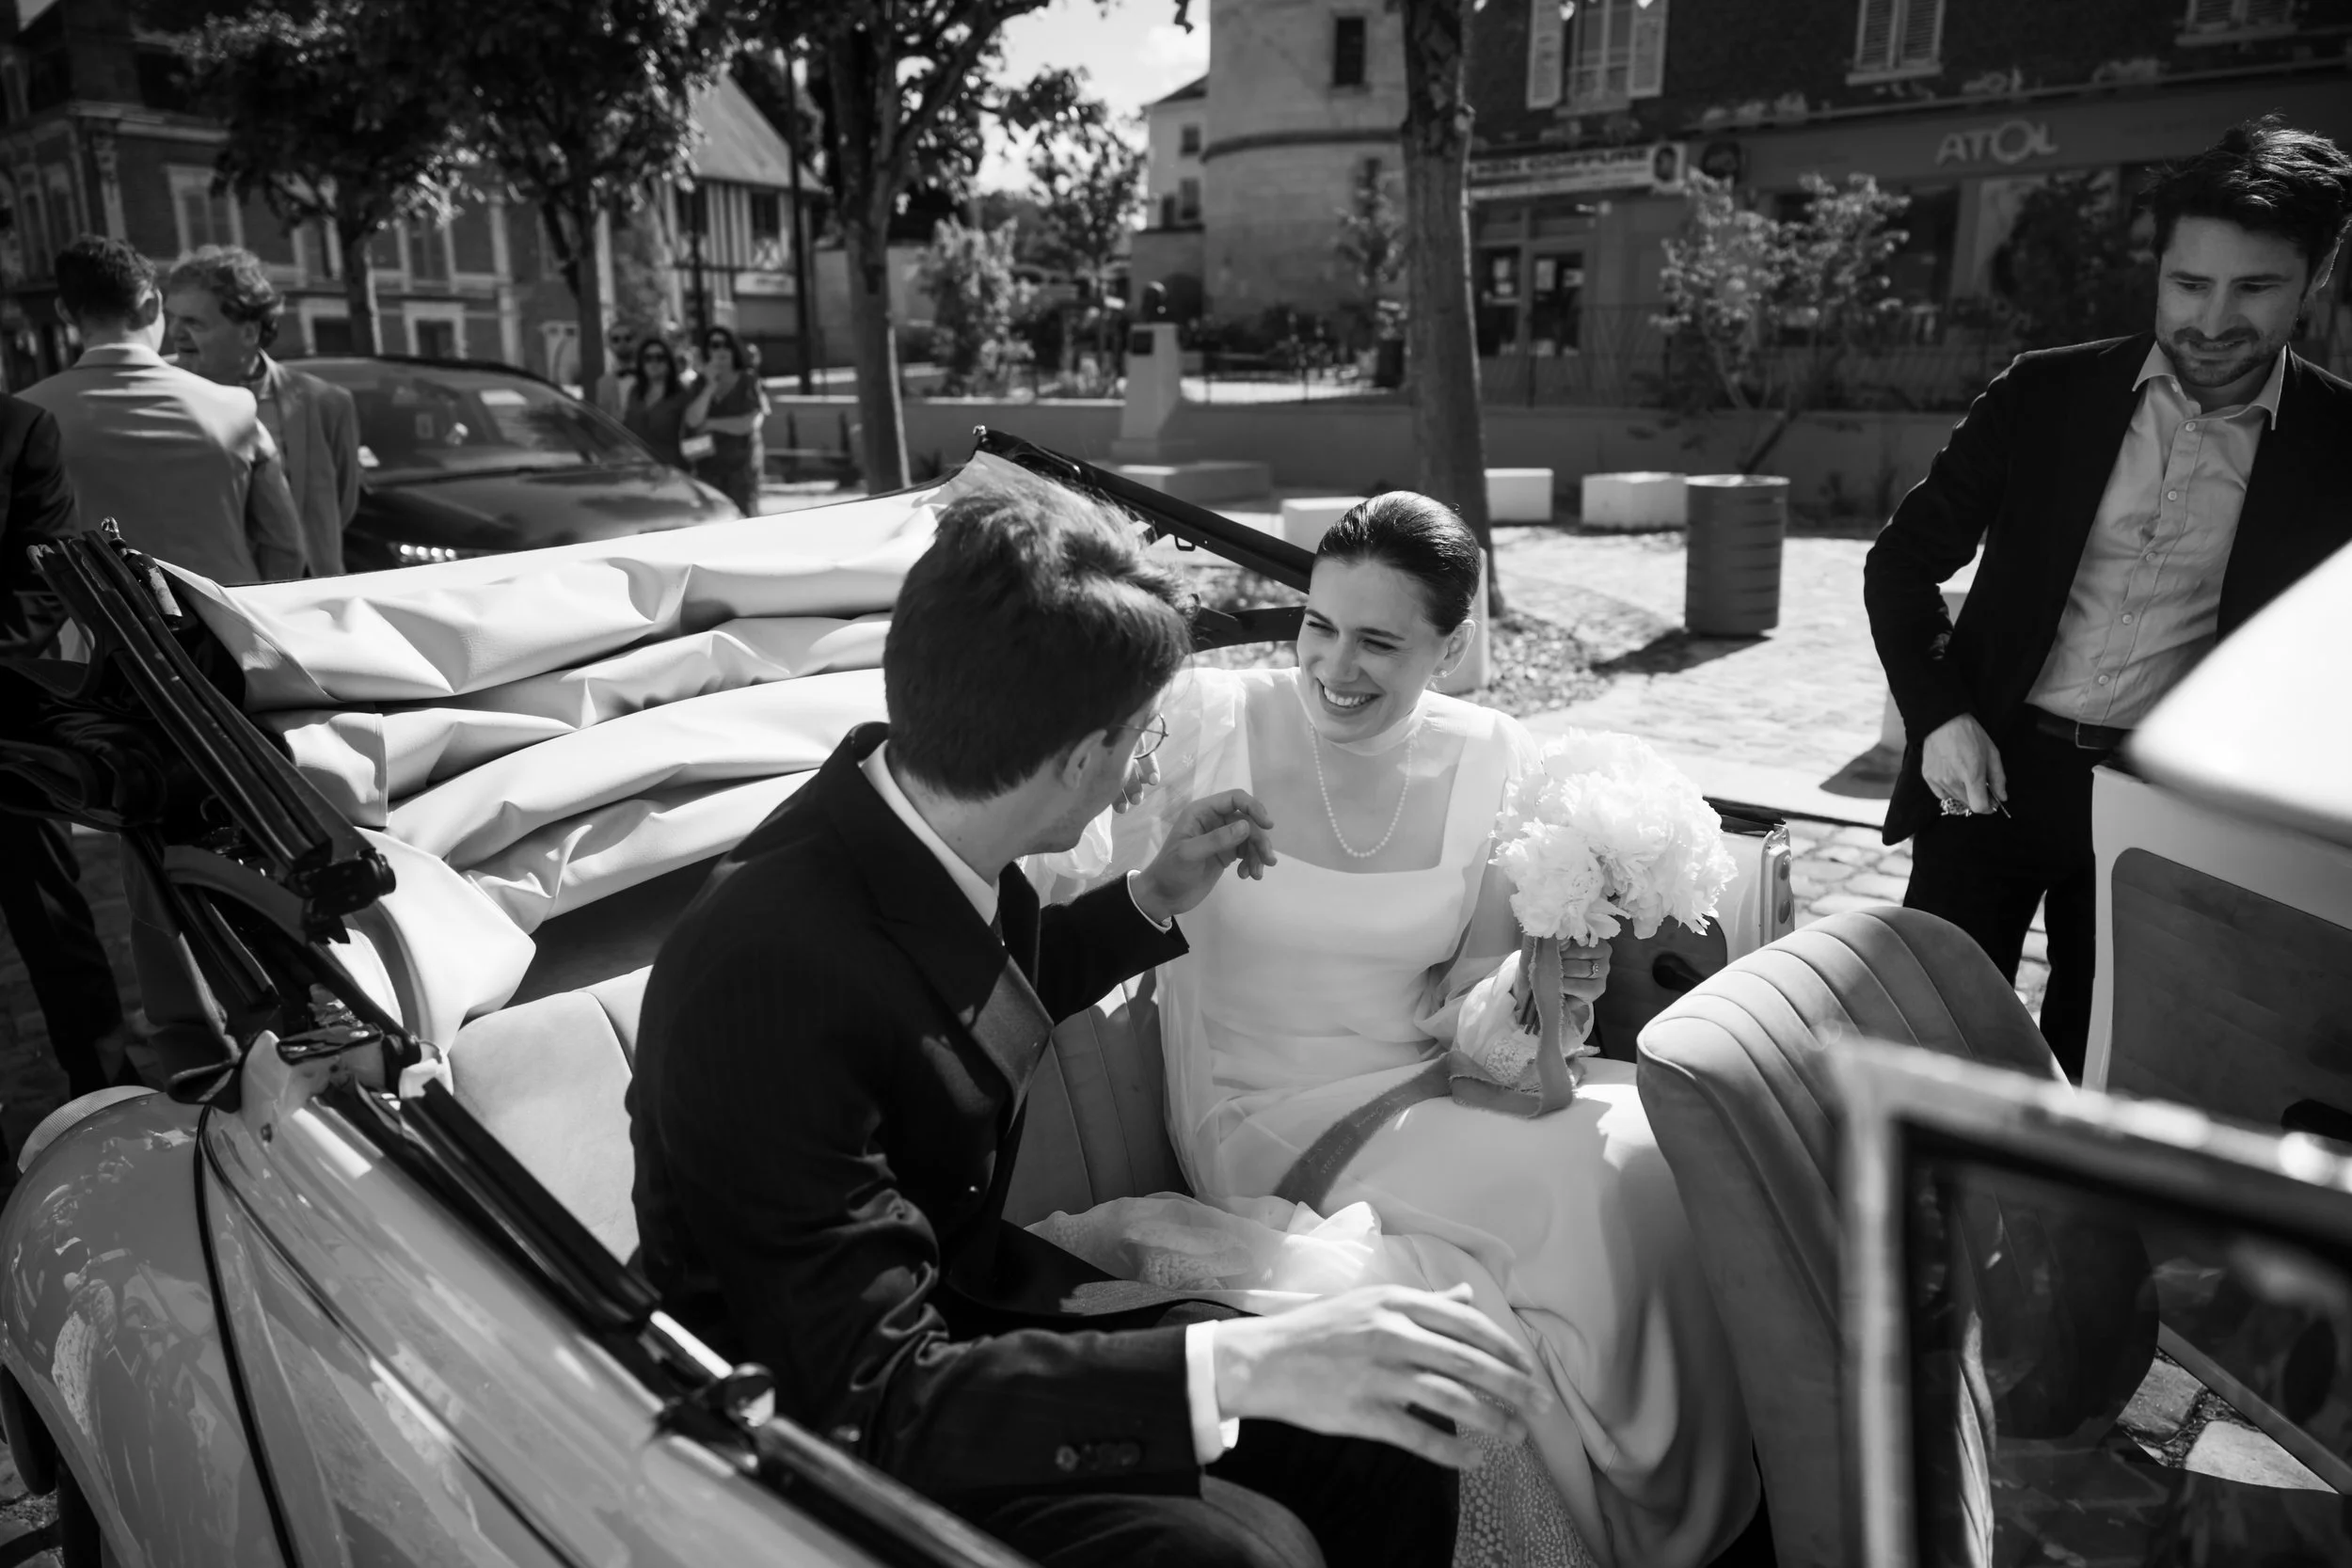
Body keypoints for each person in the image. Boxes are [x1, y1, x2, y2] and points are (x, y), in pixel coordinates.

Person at [630, 481, 1559, 1568]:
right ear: (1081, 758)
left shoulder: (929, 820)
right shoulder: (767, 970)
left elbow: (973, 995)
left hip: (969, 1313)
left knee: (1396, 1428)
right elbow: (877, 1392)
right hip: (823, 1420)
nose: (1150, 764)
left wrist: (1152, 897)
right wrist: (1254, 1363)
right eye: (1144, 735)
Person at [1027, 494, 1760, 1568]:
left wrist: (1539, 979)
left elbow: (1470, 1019)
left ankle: (1686, 1503)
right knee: (1571, 1197)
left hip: (1429, 1079)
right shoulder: (1204, 723)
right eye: (1318, 625)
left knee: (1653, 1151)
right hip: (1263, 1102)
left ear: (1450, 643)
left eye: (1379, 641)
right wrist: (1155, 875)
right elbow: (1059, 847)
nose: (1336, 665)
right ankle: (1630, 1524)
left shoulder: (1493, 753)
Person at [1866, 116, 2352, 1079]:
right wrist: (1941, 717)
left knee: (2098, 1071)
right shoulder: (2042, 395)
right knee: (1922, 1047)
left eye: (2253, 288)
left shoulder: (2340, 448)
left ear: (2318, 275)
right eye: (2187, 284)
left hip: (2161, 810)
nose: (2212, 320)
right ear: (2157, 269)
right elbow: (1901, 564)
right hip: (1987, 778)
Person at [0, 387, 135, 1137]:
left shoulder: (21, 429)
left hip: (3, 715)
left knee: (49, 912)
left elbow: (37, 580)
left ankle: (103, 1084)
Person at [20, 236, 303, 586]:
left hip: (107, 632)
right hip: (228, 624)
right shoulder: (235, 407)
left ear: (64, 311)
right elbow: (285, 545)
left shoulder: (25, 417)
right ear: (152, 305)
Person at [164, 245, 362, 578]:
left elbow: (343, 505)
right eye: (172, 317)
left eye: (193, 322)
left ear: (249, 331)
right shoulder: (158, 396)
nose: (175, 333)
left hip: (307, 601)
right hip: (203, 600)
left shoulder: (326, 403)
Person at [682, 324, 768, 514]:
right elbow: (692, 421)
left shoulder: (748, 379)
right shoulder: (698, 384)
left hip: (741, 472)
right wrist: (710, 387)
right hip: (708, 470)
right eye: (714, 345)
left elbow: (748, 424)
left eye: (726, 344)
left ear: (734, 348)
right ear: (707, 351)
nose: (721, 350)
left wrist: (711, 424)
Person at [620, 334, 697, 470]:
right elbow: (626, 429)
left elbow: (693, 437)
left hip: (671, 472)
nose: (654, 363)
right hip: (637, 471)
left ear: (669, 362)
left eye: (660, 358)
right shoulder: (635, 392)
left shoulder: (682, 395)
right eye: (648, 358)